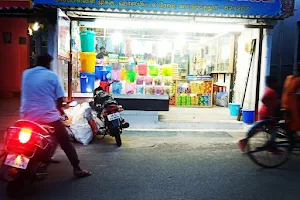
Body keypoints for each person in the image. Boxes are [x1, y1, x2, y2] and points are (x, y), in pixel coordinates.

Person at [20, 54, 91, 178]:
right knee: (65, 140)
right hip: (47, 117)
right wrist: (60, 110)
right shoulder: (51, 76)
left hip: (27, 117)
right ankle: (77, 168)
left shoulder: (26, 74)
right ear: (48, 64)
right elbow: (59, 99)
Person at [238, 76, 280, 152]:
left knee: (261, 129)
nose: (278, 84)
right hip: (267, 114)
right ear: (272, 83)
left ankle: (245, 141)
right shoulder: (271, 91)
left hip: (266, 113)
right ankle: (272, 147)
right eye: (276, 82)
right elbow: (263, 99)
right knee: (273, 130)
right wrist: (270, 106)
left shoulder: (269, 90)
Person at [281, 63, 300, 133]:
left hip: (284, 105)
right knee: (294, 124)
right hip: (292, 106)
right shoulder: (298, 80)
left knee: (288, 122)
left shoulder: (288, 78)